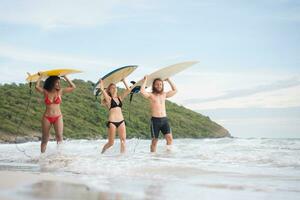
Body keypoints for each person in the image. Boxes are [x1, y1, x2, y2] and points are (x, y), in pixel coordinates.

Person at [35, 74, 76, 153]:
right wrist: (40, 77)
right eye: (57, 83)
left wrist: (65, 77)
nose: (59, 84)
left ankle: (59, 155)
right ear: (52, 83)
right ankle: (42, 157)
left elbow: (73, 87)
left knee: (59, 137)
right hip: (47, 117)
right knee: (45, 138)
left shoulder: (60, 92)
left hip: (58, 117)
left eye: (59, 82)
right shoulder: (45, 92)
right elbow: (37, 87)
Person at [140, 76, 177, 152]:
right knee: (154, 141)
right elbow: (142, 91)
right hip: (155, 121)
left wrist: (169, 80)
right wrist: (145, 81)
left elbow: (175, 90)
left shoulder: (164, 94)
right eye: (157, 84)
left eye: (160, 84)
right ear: (153, 86)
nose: (159, 86)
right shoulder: (151, 95)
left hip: (164, 120)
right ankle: (153, 157)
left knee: (169, 138)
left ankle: (168, 155)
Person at [98, 79, 132, 154]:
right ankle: (102, 154)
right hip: (112, 122)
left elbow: (128, 90)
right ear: (109, 90)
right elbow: (102, 90)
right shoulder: (109, 99)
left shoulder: (119, 98)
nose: (114, 89)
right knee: (111, 143)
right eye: (112, 88)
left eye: (115, 87)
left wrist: (123, 81)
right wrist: (101, 83)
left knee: (123, 141)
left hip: (121, 121)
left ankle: (122, 157)